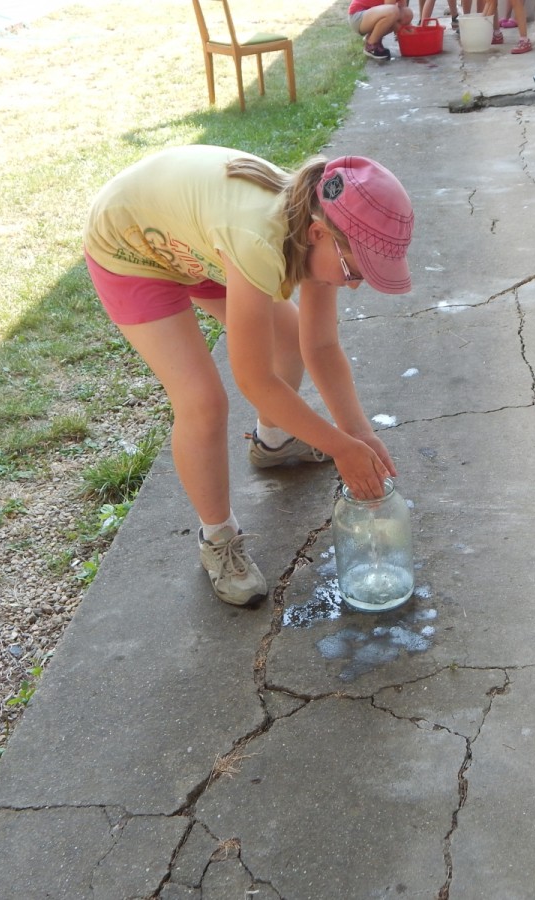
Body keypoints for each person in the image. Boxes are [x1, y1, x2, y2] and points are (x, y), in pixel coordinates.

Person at [83, 146, 414, 608]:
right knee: (203, 401)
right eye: (354, 271)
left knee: (286, 336)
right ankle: (217, 537)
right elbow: (253, 379)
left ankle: (274, 442)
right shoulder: (260, 239)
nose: (355, 283)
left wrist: (357, 433)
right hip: (131, 244)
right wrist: (341, 448)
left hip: (198, 243)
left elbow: (319, 346)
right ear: (319, 233)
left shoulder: (317, 227)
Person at [349, 0, 414, 60]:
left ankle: (372, 36)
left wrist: (412, 33)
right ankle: (371, 45)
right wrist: (401, 31)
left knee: (407, 14)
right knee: (393, 11)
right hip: (358, 16)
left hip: (371, 14)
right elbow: (391, 14)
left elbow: (403, 8)